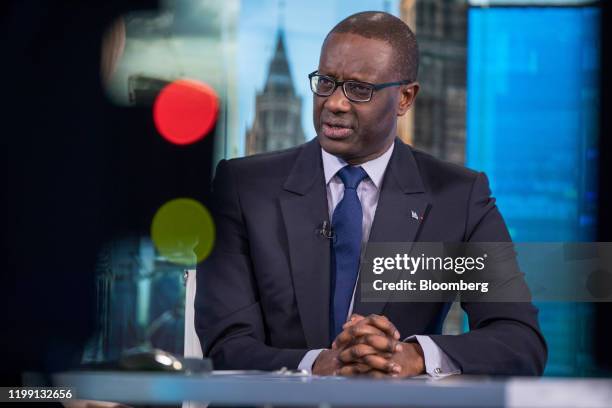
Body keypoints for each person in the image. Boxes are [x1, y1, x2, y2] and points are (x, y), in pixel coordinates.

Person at [195, 11, 547, 378]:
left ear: (405, 98)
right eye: (326, 82)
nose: (335, 103)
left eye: (359, 89)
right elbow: (225, 345)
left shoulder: (457, 197)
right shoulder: (241, 187)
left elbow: (520, 341)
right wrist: (320, 364)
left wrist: (411, 356)